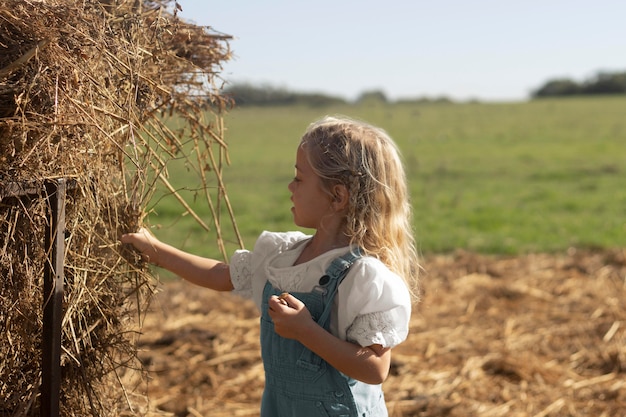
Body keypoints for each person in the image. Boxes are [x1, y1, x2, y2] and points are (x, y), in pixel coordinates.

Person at [121, 115, 421, 417]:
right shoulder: (282, 256)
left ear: (337, 196)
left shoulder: (364, 276)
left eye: (300, 178)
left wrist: (306, 330)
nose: (290, 186)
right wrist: (157, 251)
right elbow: (221, 275)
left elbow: (375, 368)